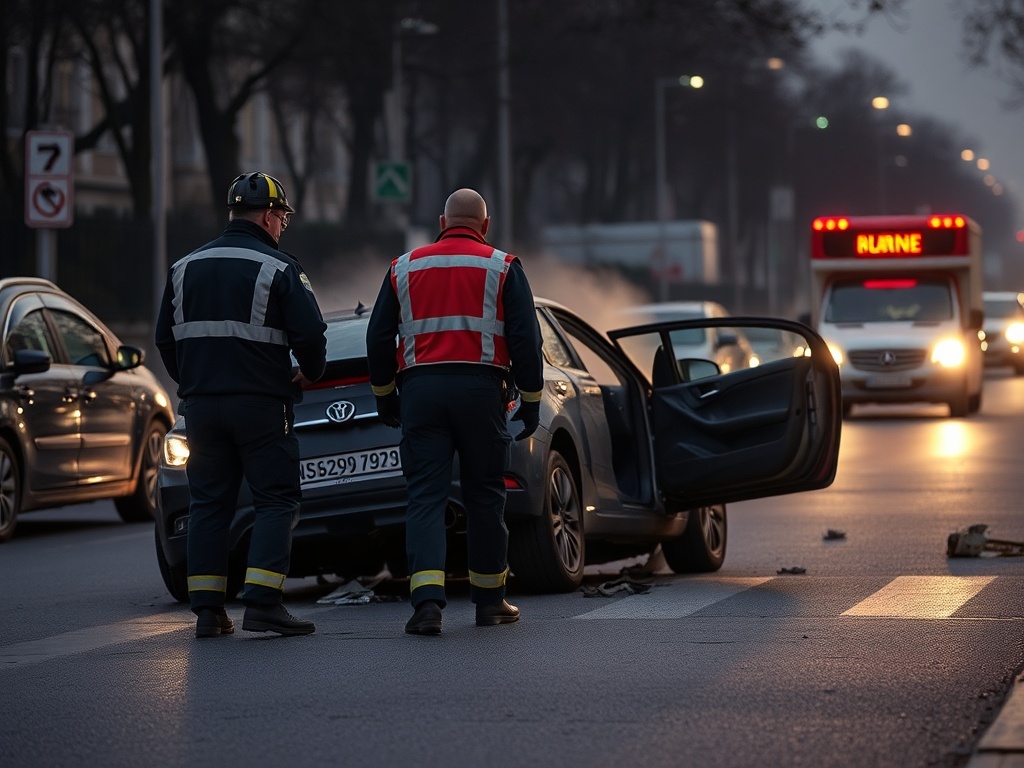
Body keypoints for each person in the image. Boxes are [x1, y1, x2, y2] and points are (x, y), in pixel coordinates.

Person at [155, 171, 327, 639]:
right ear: (270, 215)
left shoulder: (183, 267)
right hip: (262, 405)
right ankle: (263, 602)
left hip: (202, 409)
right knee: (276, 499)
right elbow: (311, 334)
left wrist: (195, 382)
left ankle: (209, 611)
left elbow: (163, 340)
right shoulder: (279, 267)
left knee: (210, 504)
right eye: (282, 219)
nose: (282, 227)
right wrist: (310, 372)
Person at [366, 188, 544, 636]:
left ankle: (426, 605)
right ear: (485, 226)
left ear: (442, 221)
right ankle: (490, 602)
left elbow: (377, 337)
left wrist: (386, 396)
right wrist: (532, 400)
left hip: (421, 392)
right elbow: (526, 339)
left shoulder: (403, 267)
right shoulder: (503, 266)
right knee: (485, 496)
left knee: (425, 497)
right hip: (481, 392)